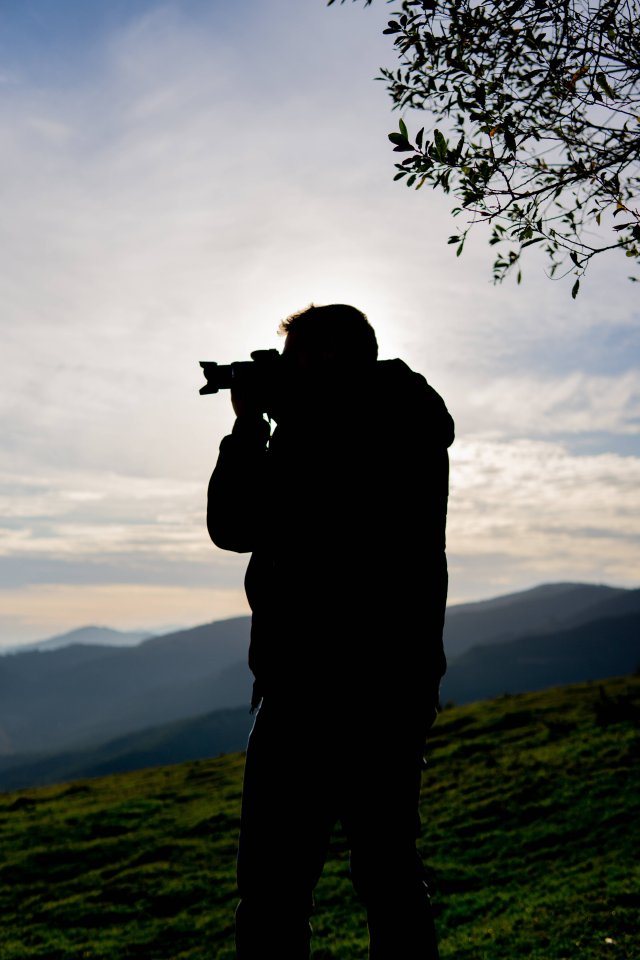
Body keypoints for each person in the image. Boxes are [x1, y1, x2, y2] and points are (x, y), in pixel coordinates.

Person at [207, 303, 454, 959]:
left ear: (328, 358)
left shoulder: (380, 423)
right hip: (376, 684)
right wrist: (264, 419)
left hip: (325, 687)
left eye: (295, 361)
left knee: (281, 888)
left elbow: (236, 523)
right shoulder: (399, 418)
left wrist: (251, 426)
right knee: (382, 872)